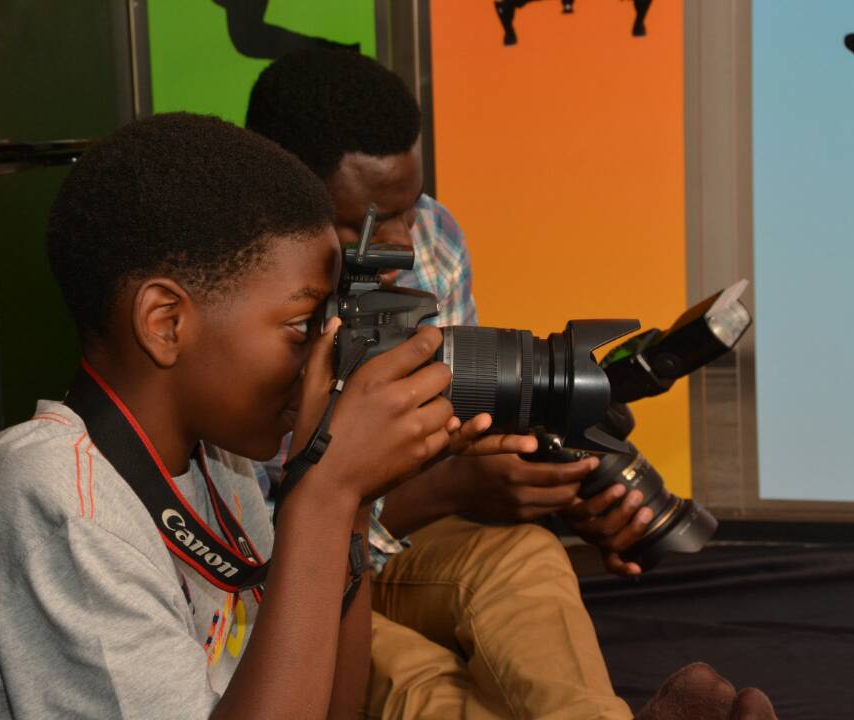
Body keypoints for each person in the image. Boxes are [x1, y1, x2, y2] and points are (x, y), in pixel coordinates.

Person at [246, 48, 777, 720]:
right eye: (368, 224)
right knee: (417, 678)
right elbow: (254, 541)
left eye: (411, 205)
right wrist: (448, 490)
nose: (406, 242)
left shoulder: (435, 238)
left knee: (527, 556)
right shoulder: (237, 308)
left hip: (401, 541)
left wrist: (550, 493)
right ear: (280, 203)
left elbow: (456, 426)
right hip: (280, 582)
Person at [0, 112, 467, 718]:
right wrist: (324, 496)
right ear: (166, 323)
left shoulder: (218, 464)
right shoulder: (58, 502)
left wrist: (351, 507)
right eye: (301, 325)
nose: (325, 357)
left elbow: (334, 709)